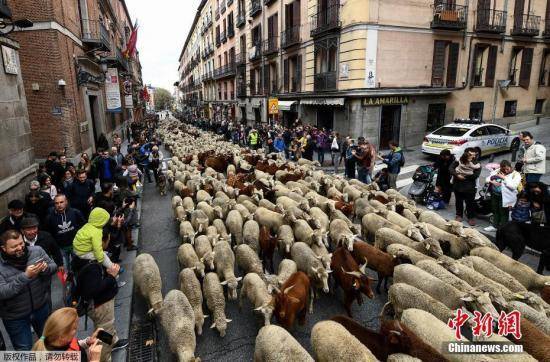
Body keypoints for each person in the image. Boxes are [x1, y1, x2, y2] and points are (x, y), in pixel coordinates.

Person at [0, 230, 57, 350]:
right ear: (3, 248)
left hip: (41, 307)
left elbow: (53, 266)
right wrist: (25, 276)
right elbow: (3, 292)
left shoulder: (36, 250)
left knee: (50, 343)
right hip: (15, 316)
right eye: (14, 246)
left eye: (21, 243)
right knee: (24, 351)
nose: (19, 248)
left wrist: (45, 269)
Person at [32, 307, 103, 362]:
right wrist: (95, 360)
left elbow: (75, 344)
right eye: (74, 328)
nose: (77, 329)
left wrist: (87, 342)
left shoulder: (58, 340)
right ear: (62, 336)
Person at [44, 194, 85, 271]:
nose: (59, 205)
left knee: (79, 268)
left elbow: (83, 226)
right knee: (65, 271)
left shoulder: (75, 212)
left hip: (76, 246)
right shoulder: (49, 218)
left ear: (66, 202)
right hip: (60, 249)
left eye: (61, 202)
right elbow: (48, 234)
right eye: (56, 203)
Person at [483, 160, 521, 232]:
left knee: (503, 212)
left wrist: (504, 178)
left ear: (510, 167)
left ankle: (503, 228)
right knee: (495, 210)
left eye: (507, 169)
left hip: (506, 197)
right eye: (503, 169)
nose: (506, 171)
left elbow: (513, 186)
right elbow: (487, 179)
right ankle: (495, 226)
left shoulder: (516, 174)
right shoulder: (498, 171)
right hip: (495, 194)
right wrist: (492, 182)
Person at [449, 148, 481, 226]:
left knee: (470, 203)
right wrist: (457, 175)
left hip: (470, 187)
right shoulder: (458, 160)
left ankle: (471, 217)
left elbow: (475, 175)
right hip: (458, 185)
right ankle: (459, 215)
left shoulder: (476, 163)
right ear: (466, 154)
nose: (472, 156)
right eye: (470, 154)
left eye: (474, 154)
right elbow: (451, 168)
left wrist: (463, 176)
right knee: (458, 201)